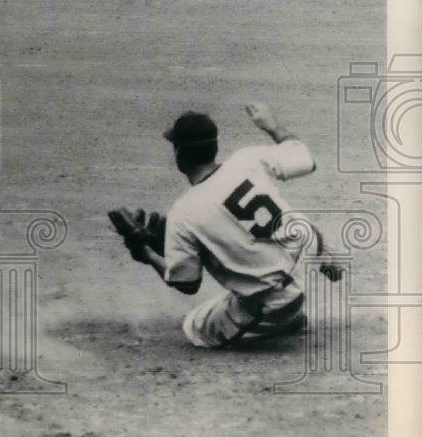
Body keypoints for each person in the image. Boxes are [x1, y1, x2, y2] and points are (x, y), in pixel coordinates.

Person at [109, 103, 340, 349]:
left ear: (178, 153)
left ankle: (287, 320)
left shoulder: (184, 212)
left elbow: (187, 284)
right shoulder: (247, 159)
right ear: (215, 146)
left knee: (196, 325)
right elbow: (305, 159)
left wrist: (149, 255)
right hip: (309, 251)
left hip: (281, 299)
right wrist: (272, 126)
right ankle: (330, 262)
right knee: (291, 227)